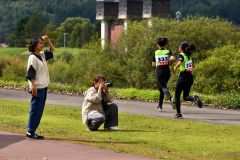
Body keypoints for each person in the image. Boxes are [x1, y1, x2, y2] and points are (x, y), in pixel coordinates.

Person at [26, 35, 55, 139]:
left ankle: (32, 131)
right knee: (35, 109)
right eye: (39, 43)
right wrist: (33, 87)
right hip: (37, 87)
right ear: (34, 45)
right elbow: (31, 73)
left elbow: (52, 49)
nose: (42, 44)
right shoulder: (32, 57)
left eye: (41, 43)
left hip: (43, 86)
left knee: (40, 110)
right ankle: (30, 131)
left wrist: (47, 40)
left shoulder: (42, 55)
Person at [173, 41, 202, 118]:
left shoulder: (181, 55)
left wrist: (175, 67)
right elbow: (194, 66)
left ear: (181, 48)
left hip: (183, 76)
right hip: (190, 77)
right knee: (185, 97)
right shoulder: (190, 57)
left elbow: (179, 62)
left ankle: (178, 113)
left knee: (177, 95)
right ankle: (194, 98)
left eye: (179, 46)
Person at [152, 37, 176, 111]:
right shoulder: (168, 51)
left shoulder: (156, 52)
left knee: (163, 87)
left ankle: (171, 99)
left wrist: (158, 63)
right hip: (167, 71)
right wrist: (168, 61)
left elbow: (153, 64)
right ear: (165, 44)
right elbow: (173, 58)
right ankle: (160, 106)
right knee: (161, 88)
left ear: (157, 45)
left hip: (159, 71)